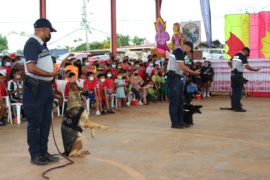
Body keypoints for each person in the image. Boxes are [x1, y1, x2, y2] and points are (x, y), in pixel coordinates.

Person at [23, 18, 59, 165]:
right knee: (35, 123)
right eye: (50, 31)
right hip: (35, 90)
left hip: (45, 88)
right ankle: (35, 155)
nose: (50, 34)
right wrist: (50, 74)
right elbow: (31, 68)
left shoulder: (42, 45)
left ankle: (44, 152)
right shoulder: (32, 43)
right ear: (43, 29)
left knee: (45, 122)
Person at [166, 41, 200, 129]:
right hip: (173, 79)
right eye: (189, 50)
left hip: (178, 79)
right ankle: (175, 123)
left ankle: (180, 121)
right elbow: (181, 66)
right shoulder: (178, 52)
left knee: (180, 101)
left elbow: (182, 67)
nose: (189, 52)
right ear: (186, 47)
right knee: (175, 102)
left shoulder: (181, 54)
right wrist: (193, 72)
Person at [228, 47, 260, 112]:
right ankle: (238, 108)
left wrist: (234, 68)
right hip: (238, 75)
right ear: (245, 51)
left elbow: (228, 62)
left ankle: (234, 106)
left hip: (233, 75)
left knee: (234, 91)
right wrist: (255, 70)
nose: (247, 55)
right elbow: (247, 67)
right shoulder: (242, 56)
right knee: (239, 92)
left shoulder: (236, 55)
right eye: (247, 53)